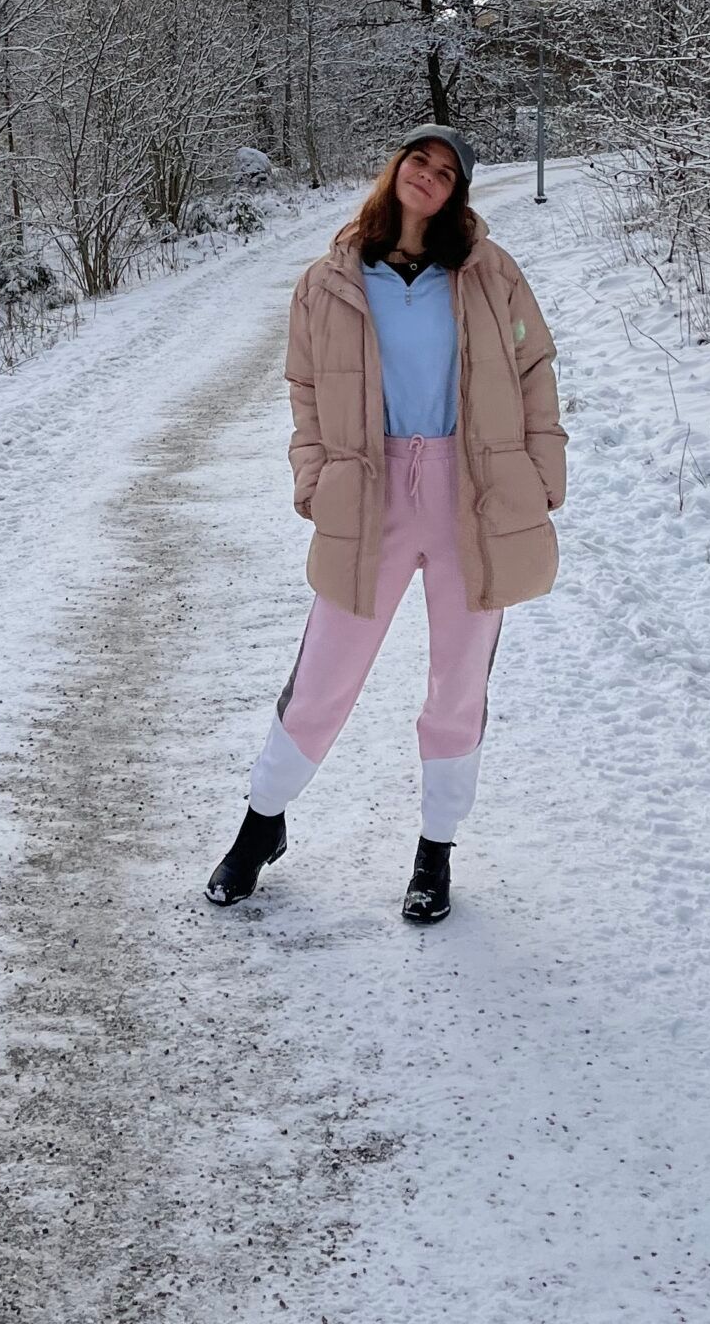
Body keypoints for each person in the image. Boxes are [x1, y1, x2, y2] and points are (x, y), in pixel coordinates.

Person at [205, 126, 567, 925]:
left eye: (447, 173)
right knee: (325, 672)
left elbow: (534, 370)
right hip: (367, 495)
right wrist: (314, 477)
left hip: (471, 494)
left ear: (458, 192)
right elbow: (303, 389)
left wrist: (541, 478)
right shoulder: (329, 281)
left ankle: (434, 852)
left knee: (458, 680)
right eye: (420, 162)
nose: (430, 178)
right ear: (396, 168)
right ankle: (261, 822)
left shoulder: (489, 276)